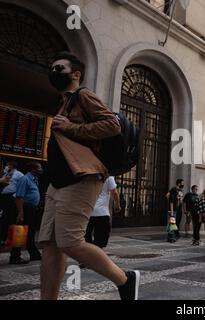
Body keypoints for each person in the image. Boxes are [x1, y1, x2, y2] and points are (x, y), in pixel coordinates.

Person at [39, 52, 139, 300]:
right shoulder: (61, 103)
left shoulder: (83, 95)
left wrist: (71, 127)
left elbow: (111, 125)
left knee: (70, 242)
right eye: (52, 68)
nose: (54, 72)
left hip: (82, 177)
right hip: (57, 182)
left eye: (59, 68)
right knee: (50, 245)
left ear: (75, 74)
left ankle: (125, 280)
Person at [9, 162, 43, 264]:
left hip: (31, 209)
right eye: (39, 168)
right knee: (20, 232)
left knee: (30, 232)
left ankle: (34, 254)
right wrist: (21, 213)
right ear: (33, 169)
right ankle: (15, 257)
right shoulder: (25, 179)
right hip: (25, 208)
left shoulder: (34, 180)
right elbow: (19, 197)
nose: (41, 170)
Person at [85, 176, 121, 249]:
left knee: (86, 240)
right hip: (102, 213)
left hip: (88, 212)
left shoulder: (89, 175)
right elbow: (114, 193)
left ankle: (87, 257)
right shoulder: (108, 176)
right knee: (100, 242)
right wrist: (117, 206)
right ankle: (96, 257)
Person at [0, 162, 24, 246]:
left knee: (7, 217)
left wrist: (15, 195)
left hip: (11, 197)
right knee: (2, 217)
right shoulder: (5, 173)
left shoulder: (19, 174)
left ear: (12, 166)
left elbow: (21, 186)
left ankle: (5, 238)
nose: (7, 166)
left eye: (8, 165)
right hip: (2, 196)